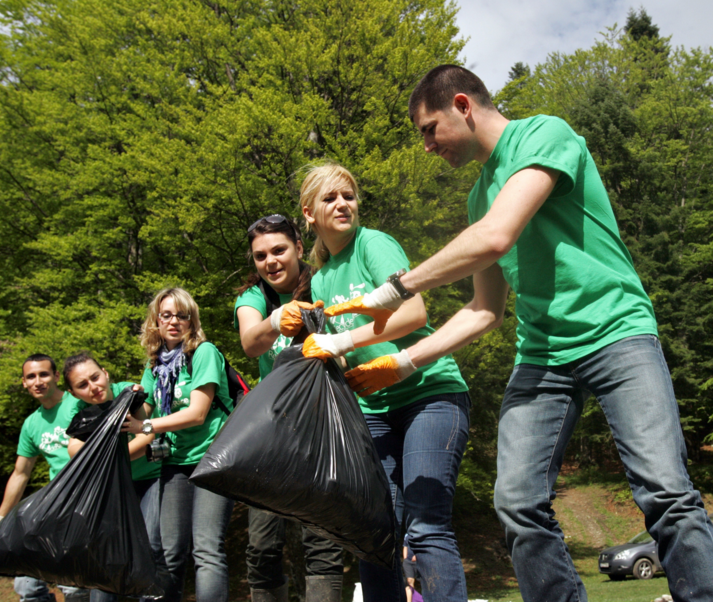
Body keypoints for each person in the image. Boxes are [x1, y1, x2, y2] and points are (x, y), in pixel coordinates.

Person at [339, 64, 713, 602]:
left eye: (428, 129)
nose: (425, 146)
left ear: (462, 105)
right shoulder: (476, 198)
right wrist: (404, 362)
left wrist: (396, 289)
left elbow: (496, 236)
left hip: (618, 332)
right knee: (516, 503)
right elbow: (484, 310)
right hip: (542, 356)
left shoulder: (545, 133)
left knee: (665, 491)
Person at [296, 163, 471, 602]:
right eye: (330, 198)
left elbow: (414, 313)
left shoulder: (373, 243)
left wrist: (339, 340)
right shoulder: (319, 277)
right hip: (373, 411)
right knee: (374, 536)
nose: (343, 204)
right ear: (308, 212)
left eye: (349, 196)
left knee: (426, 524)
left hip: (429, 394)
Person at [234, 213, 344, 602]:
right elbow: (251, 342)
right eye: (261, 256)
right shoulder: (254, 297)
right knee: (262, 547)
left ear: (299, 247)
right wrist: (276, 319)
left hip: (323, 429)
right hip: (273, 433)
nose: (271, 261)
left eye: (279, 250)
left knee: (323, 545)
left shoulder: (326, 282)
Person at [122, 287, 235, 602]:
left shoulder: (204, 353)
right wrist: (122, 407)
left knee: (207, 549)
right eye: (166, 315)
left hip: (213, 460)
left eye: (181, 315)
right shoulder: (154, 364)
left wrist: (146, 425)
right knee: (170, 553)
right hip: (175, 463)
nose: (174, 322)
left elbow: (197, 413)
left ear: (192, 320)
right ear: (156, 321)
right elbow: (144, 411)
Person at [63, 352, 163, 602]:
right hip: (112, 488)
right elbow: (74, 448)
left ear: (105, 373)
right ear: (73, 393)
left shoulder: (128, 393)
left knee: (149, 546)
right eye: (82, 385)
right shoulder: (78, 410)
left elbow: (147, 434)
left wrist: (111, 457)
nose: (93, 387)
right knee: (105, 554)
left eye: (95, 377)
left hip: (149, 479)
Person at [0, 354, 89, 602]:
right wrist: (2, 518)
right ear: (24, 383)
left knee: (73, 586)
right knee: (27, 585)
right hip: (52, 504)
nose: (38, 381)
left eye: (44, 374)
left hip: (83, 501)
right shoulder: (31, 424)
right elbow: (20, 474)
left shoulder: (78, 404)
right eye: (31, 376)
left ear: (56, 377)